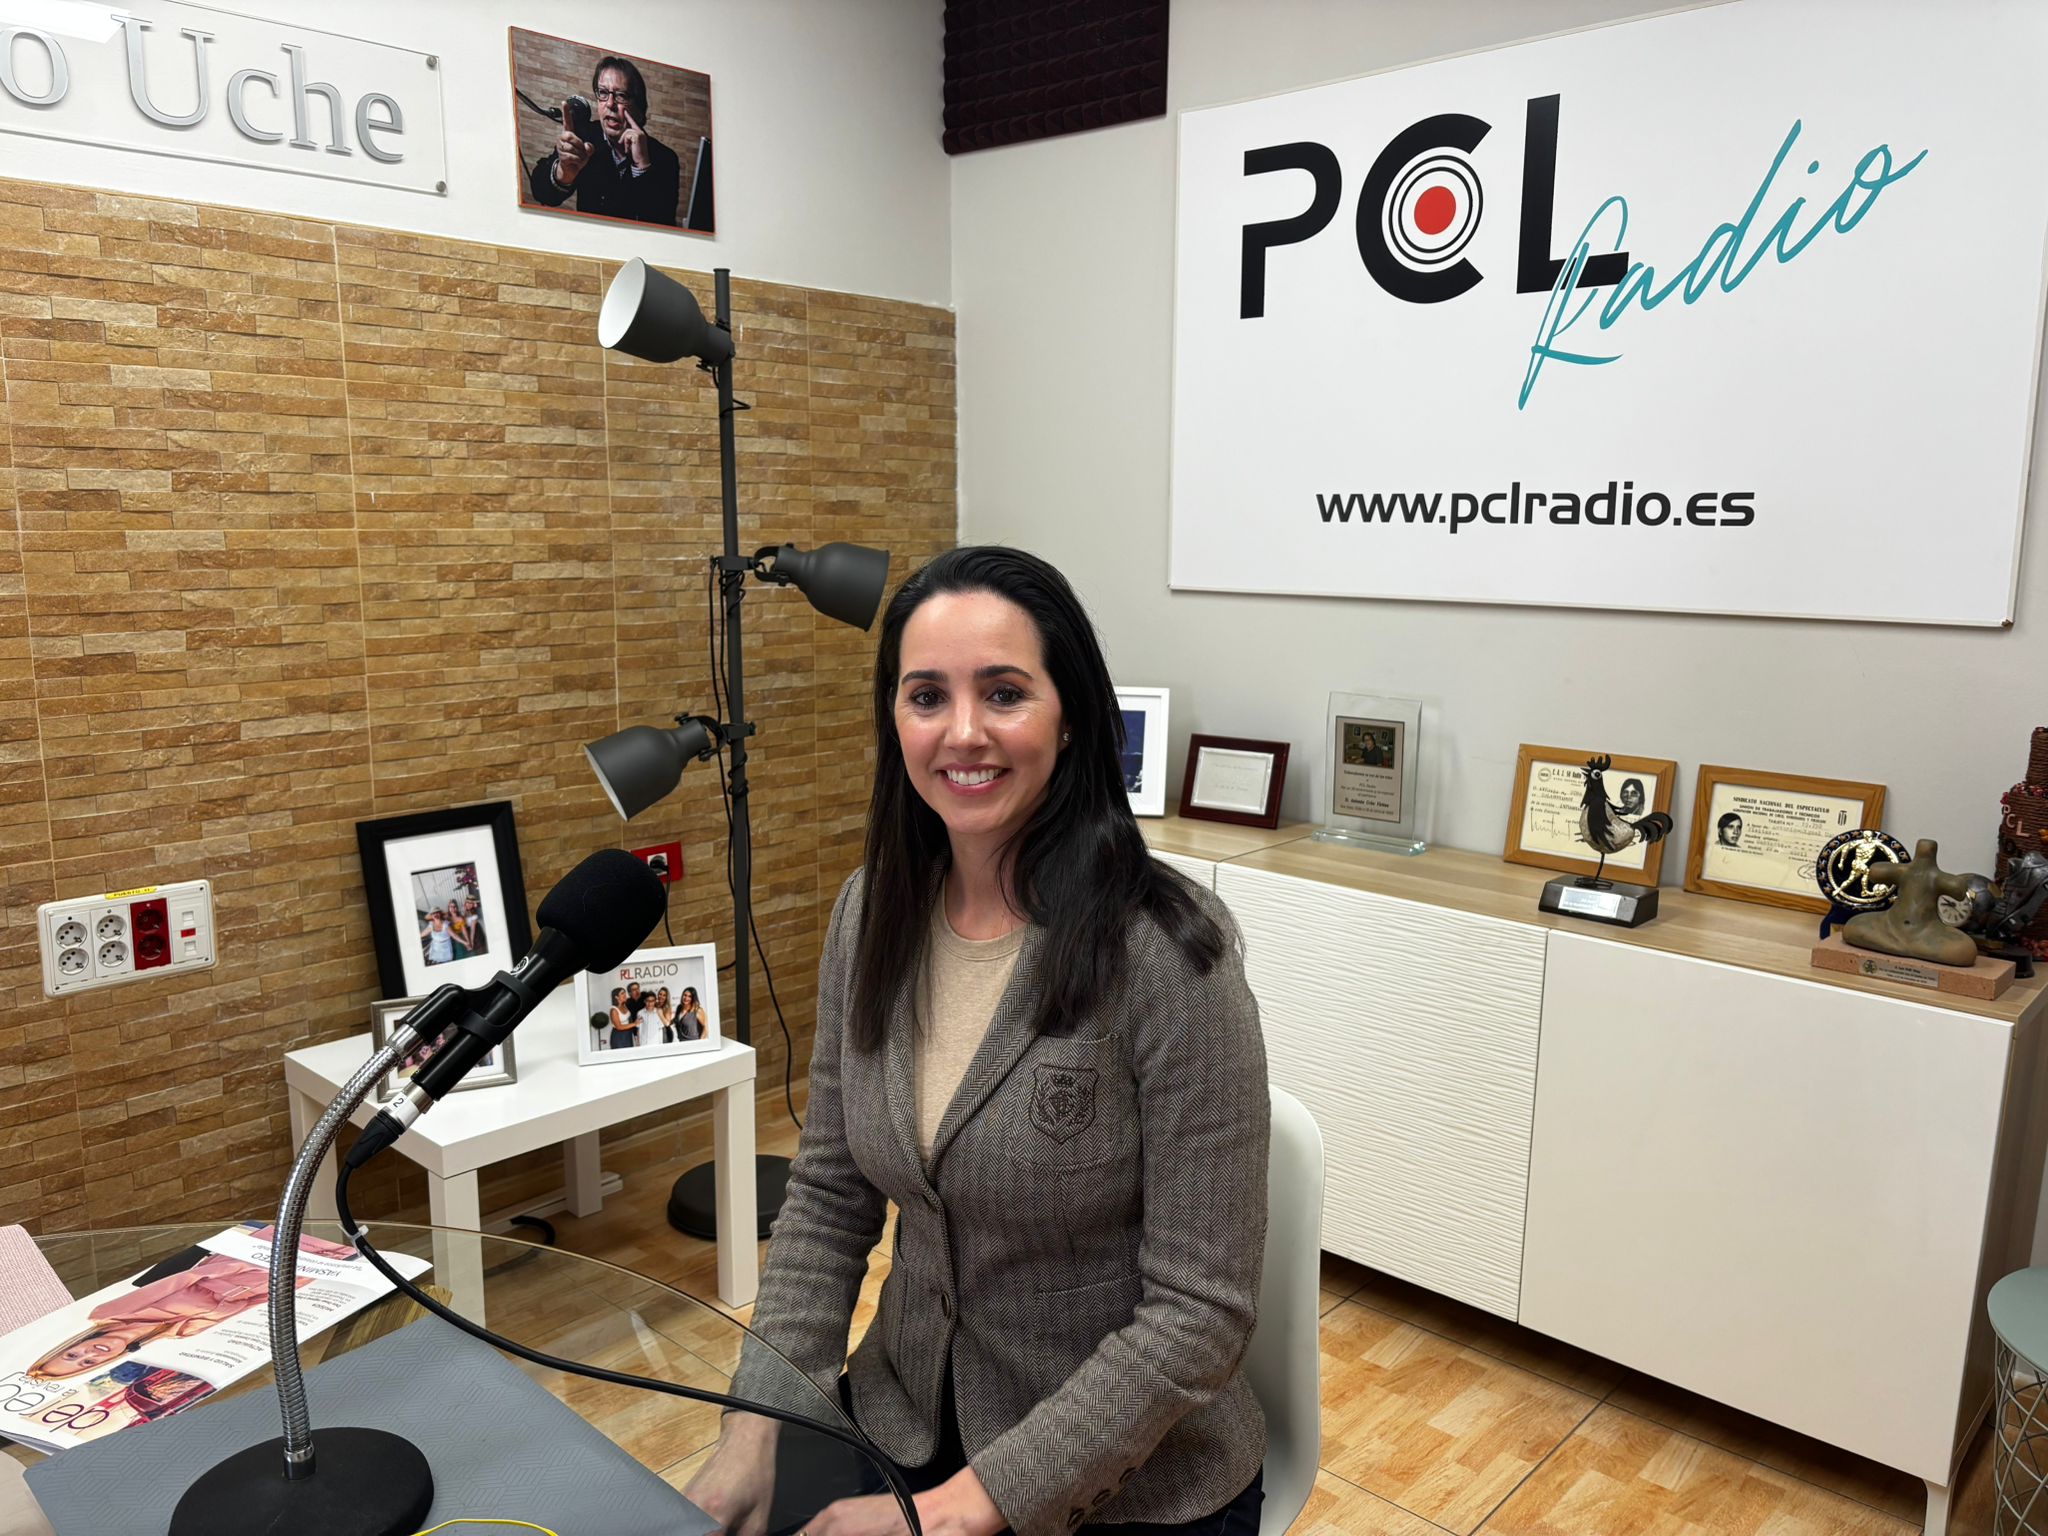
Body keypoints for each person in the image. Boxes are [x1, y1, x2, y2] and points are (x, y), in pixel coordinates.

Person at [687, 546, 1267, 1536]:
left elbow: (1198, 1314)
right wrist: (755, 1427)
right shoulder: (870, 913)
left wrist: (956, 1514)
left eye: (1003, 693)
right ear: (894, 719)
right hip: (910, 1415)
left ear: (1070, 715)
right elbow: (827, 1198)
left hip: (1129, 1477)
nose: (962, 733)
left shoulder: (1170, 955)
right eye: (926, 697)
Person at [30, 1255, 310, 1381]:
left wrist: (239, 1278)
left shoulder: (110, 1312)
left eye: (72, 1355)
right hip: (281, 1277)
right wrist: (296, 1282)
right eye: (87, 1363)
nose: (90, 1354)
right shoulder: (182, 1334)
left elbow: (186, 1277)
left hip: (243, 1263)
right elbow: (251, 1304)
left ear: (69, 1346)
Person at [527, 56, 681, 226]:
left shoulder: (665, 158)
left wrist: (642, 168)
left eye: (621, 95)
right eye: (603, 93)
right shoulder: (583, 136)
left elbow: (662, 226)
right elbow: (541, 193)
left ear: (638, 107)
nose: (610, 104)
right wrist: (563, 173)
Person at [606, 986, 635, 1051]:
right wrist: (635, 1024)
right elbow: (619, 1027)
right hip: (619, 1036)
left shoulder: (624, 1005)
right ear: (616, 997)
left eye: (625, 993)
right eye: (622, 993)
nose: (625, 995)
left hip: (628, 1034)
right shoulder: (614, 1010)